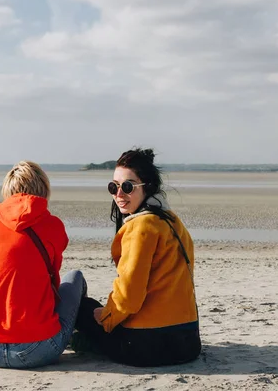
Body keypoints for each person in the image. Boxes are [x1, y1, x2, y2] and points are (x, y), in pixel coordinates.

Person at [74, 148, 201, 367]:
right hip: (188, 343)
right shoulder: (172, 221)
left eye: (128, 187)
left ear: (148, 186)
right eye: (113, 187)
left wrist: (106, 318)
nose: (119, 195)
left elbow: (130, 295)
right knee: (95, 311)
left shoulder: (141, 227)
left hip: (146, 346)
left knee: (82, 307)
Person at [0, 161, 86, 369]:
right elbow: (53, 277)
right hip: (35, 349)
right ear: (43, 189)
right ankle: (79, 339)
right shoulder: (53, 225)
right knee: (75, 278)